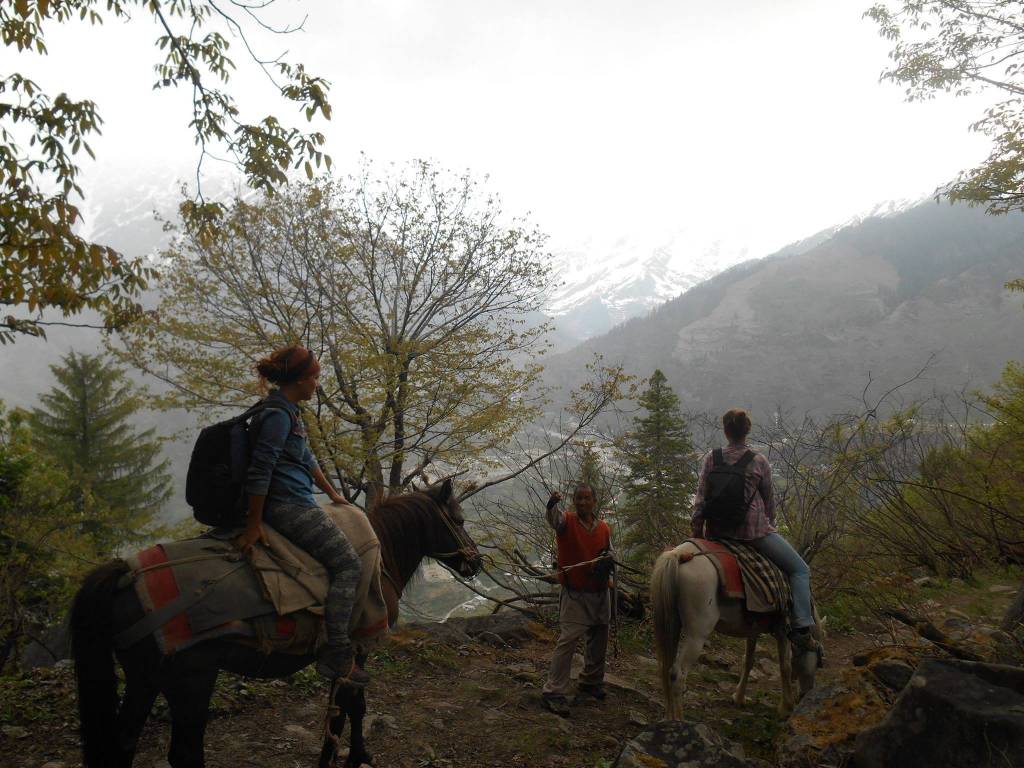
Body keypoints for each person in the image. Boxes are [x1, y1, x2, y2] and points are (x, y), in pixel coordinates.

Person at [235, 345, 368, 686]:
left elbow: (306, 457)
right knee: (349, 565)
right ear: (300, 380)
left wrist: (333, 494)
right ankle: (337, 653)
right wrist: (253, 525)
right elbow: (261, 470)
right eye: (315, 378)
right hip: (288, 506)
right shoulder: (277, 417)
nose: (317, 385)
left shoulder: (288, 410)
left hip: (299, 499)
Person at [690, 408, 816, 652]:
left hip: (717, 532)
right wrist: (770, 526)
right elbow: (769, 503)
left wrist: (697, 534)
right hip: (753, 534)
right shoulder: (759, 461)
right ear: (746, 431)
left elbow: (700, 499)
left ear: (725, 431)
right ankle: (801, 626)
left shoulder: (711, 458)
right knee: (800, 570)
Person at [541, 484, 614, 718]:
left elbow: (611, 553)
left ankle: (591, 682)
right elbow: (554, 519)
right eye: (578, 498)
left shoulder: (604, 528)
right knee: (568, 640)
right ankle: (553, 691)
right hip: (575, 594)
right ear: (573, 501)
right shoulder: (567, 522)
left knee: (599, 638)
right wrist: (552, 504)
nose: (582, 502)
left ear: (594, 501)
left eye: (586, 498)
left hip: (600, 593)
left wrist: (607, 560)